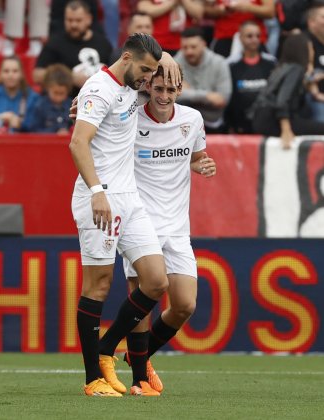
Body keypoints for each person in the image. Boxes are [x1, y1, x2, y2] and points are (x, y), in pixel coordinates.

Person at [69, 32, 180, 397]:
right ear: (127, 57)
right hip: (99, 197)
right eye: (146, 71)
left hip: (130, 199)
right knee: (98, 285)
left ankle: (106, 348)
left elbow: (159, 66)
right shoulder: (99, 89)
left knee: (155, 280)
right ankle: (92, 379)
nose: (149, 80)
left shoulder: (131, 84)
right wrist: (98, 192)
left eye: (153, 72)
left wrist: (166, 61)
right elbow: (77, 142)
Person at [120, 64, 216, 394]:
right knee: (144, 298)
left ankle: (138, 356)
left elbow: (197, 156)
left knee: (185, 305)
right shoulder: (131, 117)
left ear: (180, 89)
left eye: (170, 90)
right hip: (139, 223)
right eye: (158, 88)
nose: (163, 96)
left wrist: (203, 164)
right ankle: (139, 380)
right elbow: (102, 99)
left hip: (177, 226)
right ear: (149, 86)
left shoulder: (192, 120)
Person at [251, 33, 324, 149]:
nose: (313, 52)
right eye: (310, 49)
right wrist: (286, 129)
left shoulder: (283, 67)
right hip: (272, 119)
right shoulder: (296, 69)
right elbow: (282, 100)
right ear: (302, 50)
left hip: (261, 118)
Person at [34, 0, 113, 90]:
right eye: (69, 20)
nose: (73, 25)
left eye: (78, 20)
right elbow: (37, 75)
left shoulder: (103, 44)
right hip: (65, 101)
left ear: (89, 19)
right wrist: (70, 77)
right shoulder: (55, 43)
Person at [174, 27, 232, 132]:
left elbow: (222, 100)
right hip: (184, 124)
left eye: (193, 47)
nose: (189, 51)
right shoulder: (174, 64)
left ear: (204, 45)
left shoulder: (219, 63)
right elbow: (172, 97)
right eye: (185, 47)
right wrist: (207, 96)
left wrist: (188, 92)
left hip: (213, 123)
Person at [225, 21, 275, 134]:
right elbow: (229, 99)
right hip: (240, 126)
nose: (255, 39)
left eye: (258, 36)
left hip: (267, 124)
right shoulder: (230, 65)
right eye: (249, 36)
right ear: (240, 38)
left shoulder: (271, 63)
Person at [0, 56, 38, 133]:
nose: (10, 75)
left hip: (23, 143)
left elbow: (36, 127)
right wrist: (2, 122)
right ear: (0, 74)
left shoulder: (33, 98)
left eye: (15, 71)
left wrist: (19, 124)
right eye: (6, 71)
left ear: (21, 74)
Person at [203, 0, 274, 57]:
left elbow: (270, 12)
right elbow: (205, 10)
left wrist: (249, 7)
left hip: (253, 38)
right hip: (224, 36)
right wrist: (221, 10)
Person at [137, 0, 204, 56]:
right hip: (157, 44)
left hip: (185, 46)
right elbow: (144, 10)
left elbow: (199, 13)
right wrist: (172, 3)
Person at [30, 63, 73, 133]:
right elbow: (34, 130)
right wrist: (54, 132)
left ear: (68, 90)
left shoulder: (71, 106)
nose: (58, 98)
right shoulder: (40, 106)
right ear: (47, 88)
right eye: (55, 93)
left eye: (62, 93)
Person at [306, 1, 324, 123]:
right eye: (323, 17)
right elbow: (307, 77)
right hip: (314, 97)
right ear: (311, 22)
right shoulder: (305, 43)